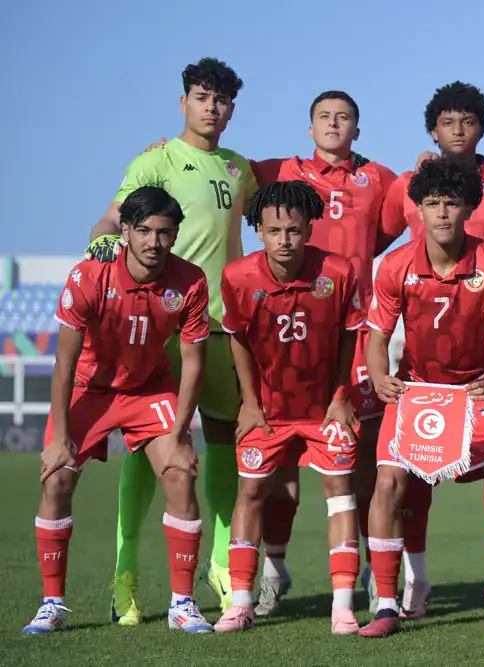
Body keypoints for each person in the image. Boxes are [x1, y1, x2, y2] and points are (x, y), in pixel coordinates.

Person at [87, 57, 258, 620]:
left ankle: (221, 566)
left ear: (232, 110)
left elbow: (293, 193)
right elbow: (111, 220)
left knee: (225, 443)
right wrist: (101, 244)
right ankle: (126, 575)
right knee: (148, 449)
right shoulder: (155, 160)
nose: (212, 108)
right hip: (162, 330)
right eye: (202, 97)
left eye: (222, 100)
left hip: (222, 327)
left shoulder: (240, 169)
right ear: (184, 102)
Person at [377, 81, 484, 618]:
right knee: (403, 481)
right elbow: (369, 248)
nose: (443, 213)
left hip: (482, 373)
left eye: (468, 121)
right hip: (421, 373)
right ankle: (406, 586)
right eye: (447, 122)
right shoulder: (405, 199)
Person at [24, 187, 212, 634]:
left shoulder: (191, 281)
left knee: (180, 475)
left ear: (175, 235)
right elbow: (64, 364)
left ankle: (182, 604)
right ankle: (52, 605)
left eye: (164, 233)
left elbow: (193, 365)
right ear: (125, 231)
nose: (153, 242)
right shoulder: (89, 276)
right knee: (57, 478)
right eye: (143, 231)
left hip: (149, 389)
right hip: (90, 388)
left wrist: (180, 434)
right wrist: (59, 440)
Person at [360, 159, 484, 639]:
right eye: (431, 203)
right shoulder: (395, 265)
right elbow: (377, 338)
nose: (441, 213)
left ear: (469, 208)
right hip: (417, 389)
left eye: (451, 203)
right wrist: (379, 377)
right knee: (388, 483)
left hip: (478, 388)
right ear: (418, 208)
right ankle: (386, 604)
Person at [245, 91, 398, 616]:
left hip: (353, 336)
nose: (334, 124)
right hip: (287, 335)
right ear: (309, 128)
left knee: (364, 463)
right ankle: (273, 570)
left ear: (358, 128)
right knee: (280, 465)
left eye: (344, 117)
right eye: (324, 118)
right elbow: (220, 169)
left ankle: (376, 574)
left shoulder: (380, 178)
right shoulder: (277, 171)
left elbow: (401, 220)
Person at [215, 181, 365, 634]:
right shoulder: (238, 277)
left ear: (309, 230)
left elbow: (350, 335)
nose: (284, 240)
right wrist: (250, 403)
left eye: (294, 230)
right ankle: (241, 603)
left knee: (340, 493)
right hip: (268, 412)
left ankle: (343, 607)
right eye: (275, 231)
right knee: (254, 493)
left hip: (324, 410)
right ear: (259, 231)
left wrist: (341, 396)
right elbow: (238, 340)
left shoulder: (338, 272)